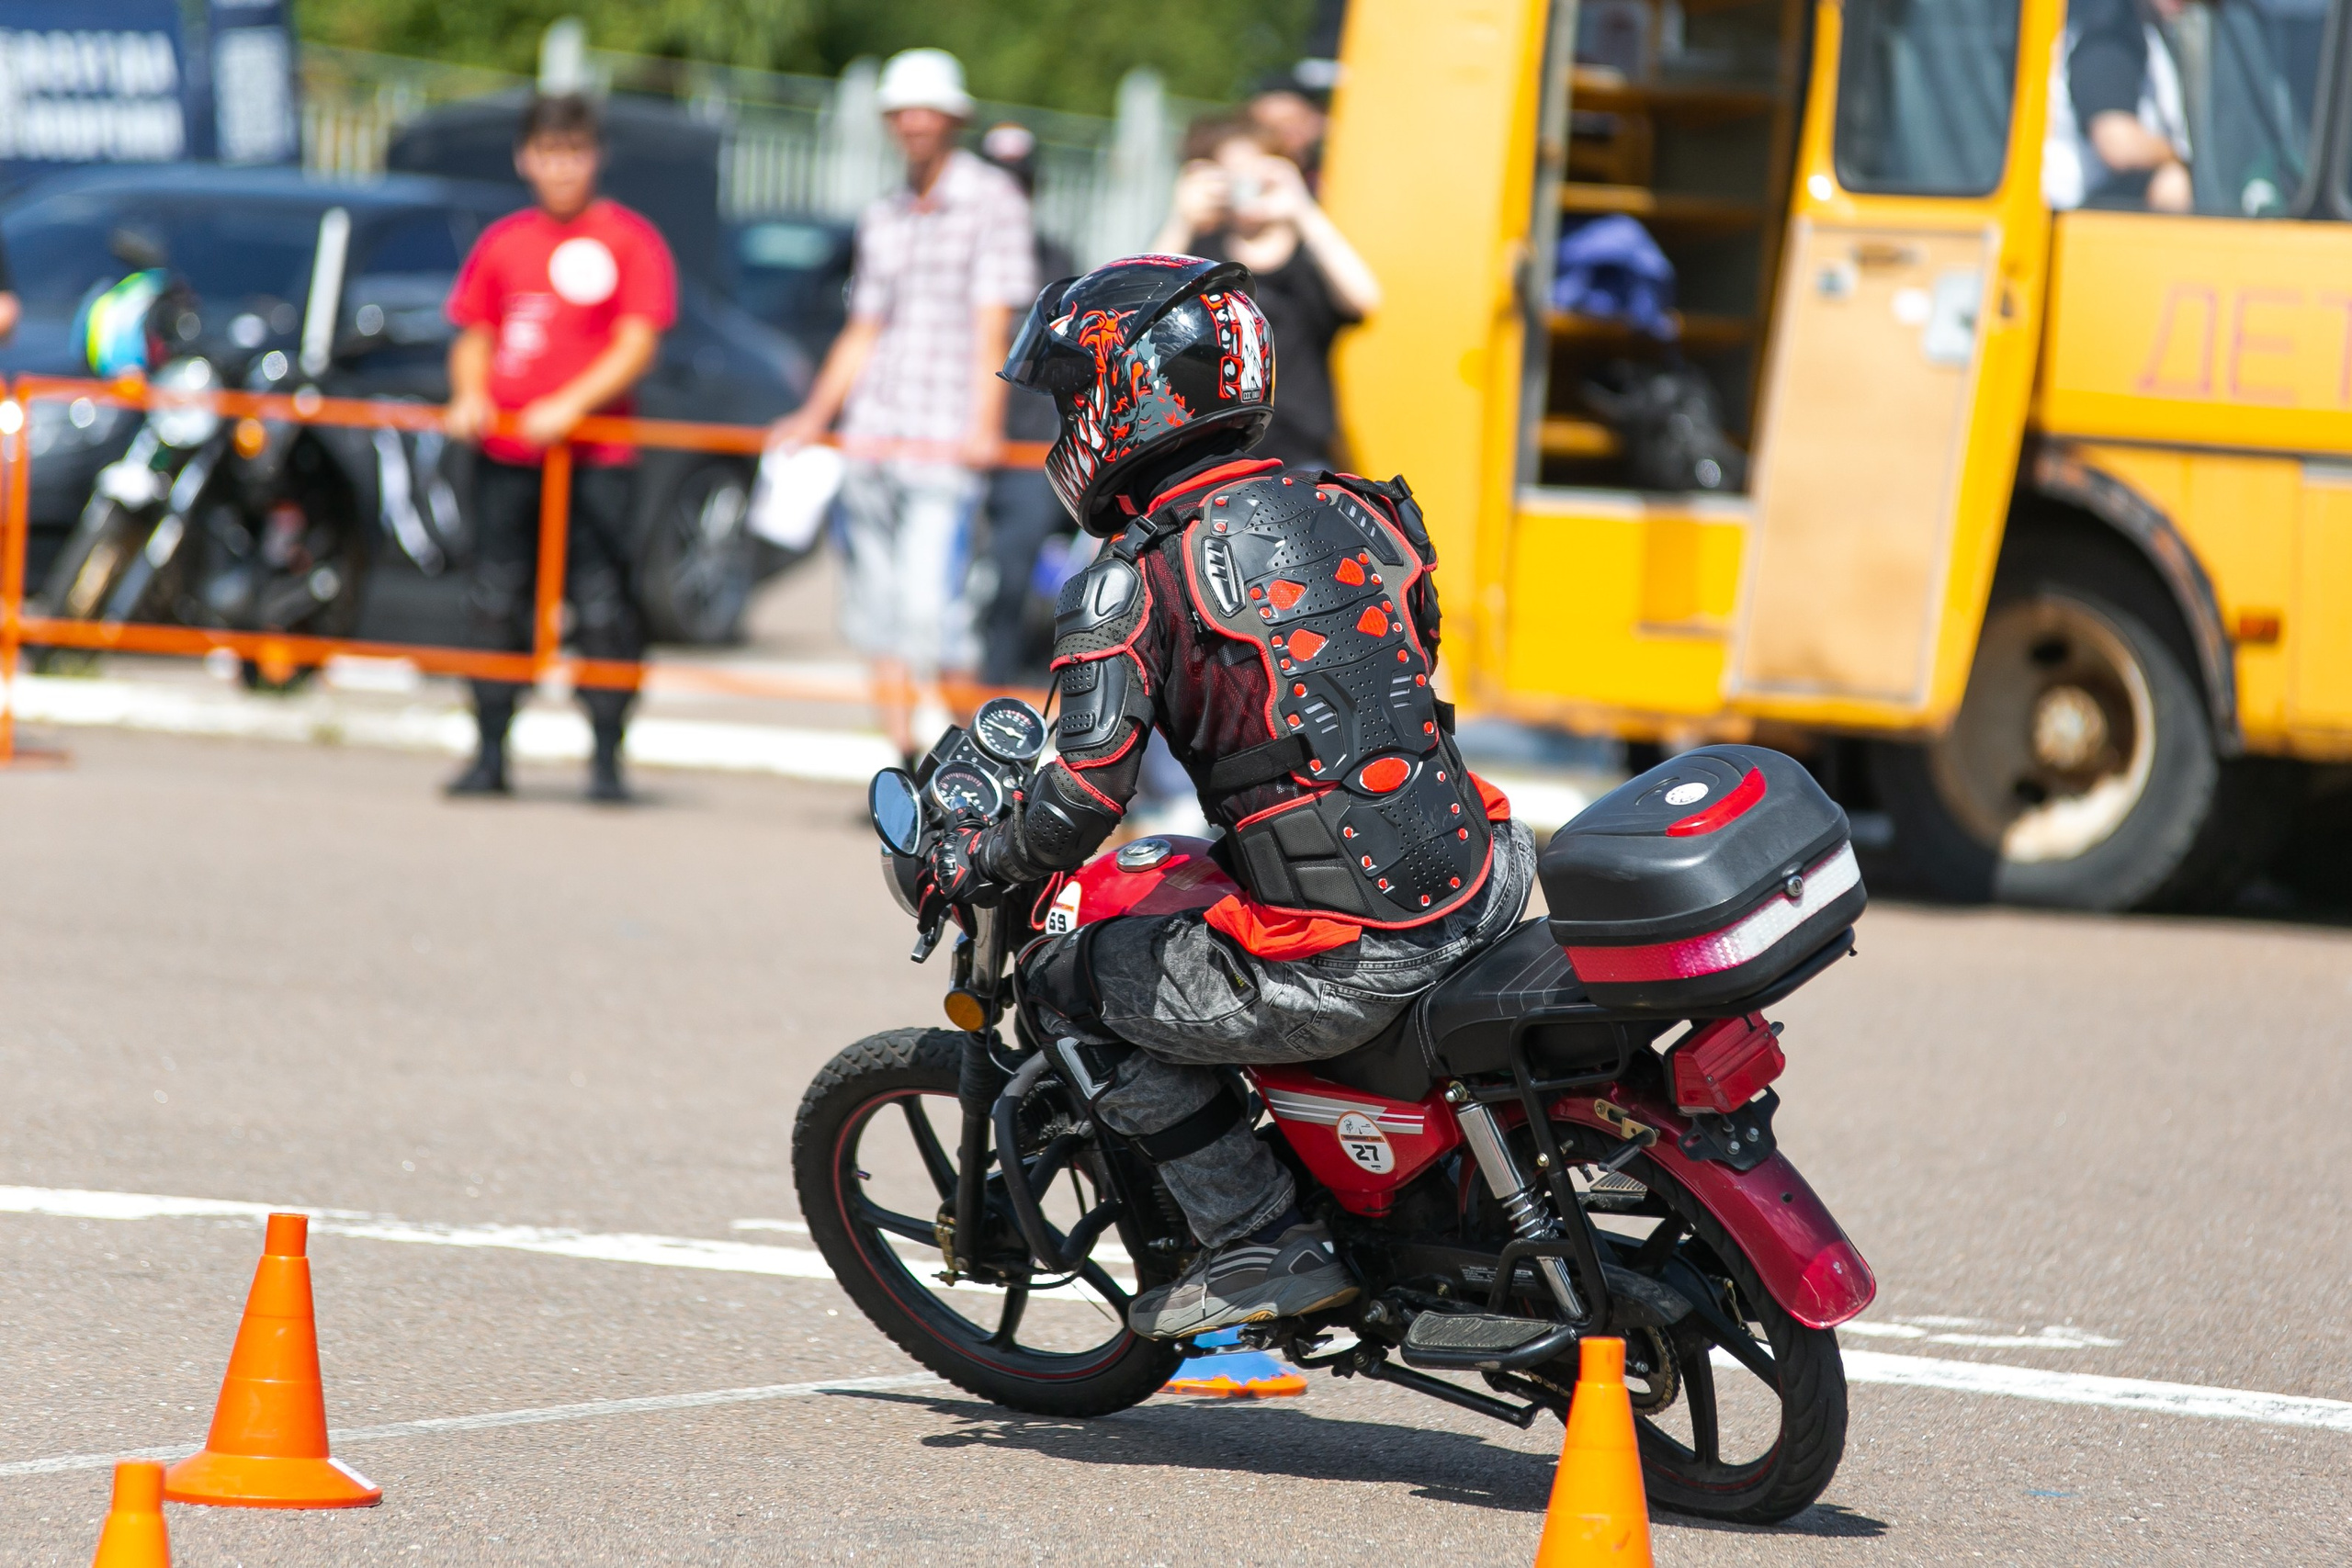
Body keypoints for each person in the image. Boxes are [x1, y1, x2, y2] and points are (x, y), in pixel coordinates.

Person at [921, 256, 1532, 1339]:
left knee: (1067, 979)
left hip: (1357, 943)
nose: (1063, 420)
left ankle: (1259, 1237)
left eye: (1072, 395)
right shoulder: (1358, 506)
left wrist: (975, 861)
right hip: (1486, 875)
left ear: (1130, 394)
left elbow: (1078, 803)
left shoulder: (1130, 576)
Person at [770, 50, 1036, 763]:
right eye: (903, 110)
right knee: (875, 615)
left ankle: (983, 768)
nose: (913, 123)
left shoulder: (992, 201)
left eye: (926, 109)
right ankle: (905, 763)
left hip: (945, 437)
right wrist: (815, 416)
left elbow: (994, 324)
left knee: (935, 615)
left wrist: (985, 424)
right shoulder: (882, 214)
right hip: (873, 433)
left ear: (952, 119)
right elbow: (864, 329)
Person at [442, 92, 676, 802]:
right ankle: (489, 750)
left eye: (573, 152)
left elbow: (637, 344)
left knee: (604, 604)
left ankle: (606, 759)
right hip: (508, 457)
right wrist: (470, 394)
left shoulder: (631, 240)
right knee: (493, 598)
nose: (561, 167)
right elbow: (474, 334)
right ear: (525, 158)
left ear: (595, 157)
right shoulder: (504, 241)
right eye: (548, 152)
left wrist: (568, 406)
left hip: (596, 459)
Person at [1150, 117, 1380, 471]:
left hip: (1304, 448)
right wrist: (1181, 219)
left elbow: (1366, 298)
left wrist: (1302, 209)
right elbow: (1144, 314)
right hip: (1212, 452)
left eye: (1256, 172)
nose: (1245, 187)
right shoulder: (1198, 253)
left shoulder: (1312, 253)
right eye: (1230, 174)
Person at [975, 119, 1080, 685]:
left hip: (1025, 446)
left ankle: (992, 687)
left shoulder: (1057, 261)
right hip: (949, 438)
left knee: (1013, 573)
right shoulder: (952, 256)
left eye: (1020, 184)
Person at [2048, 0, 2195, 212]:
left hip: (2092, 208)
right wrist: (2178, 157)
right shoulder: (2109, 27)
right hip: (2072, 215)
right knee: (2173, 182)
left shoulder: (2147, 29)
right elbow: (2118, 142)